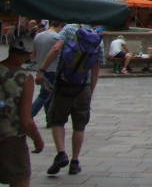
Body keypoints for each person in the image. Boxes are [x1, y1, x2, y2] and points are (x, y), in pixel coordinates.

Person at [38, 23, 103, 176]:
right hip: (83, 86)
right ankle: (75, 162)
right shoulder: (97, 36)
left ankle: (61, 153)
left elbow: (56, 49)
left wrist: (42, 70)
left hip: (64, 83)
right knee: (79, 125)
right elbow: (96, 68)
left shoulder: (68, 29)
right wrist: (91, 90)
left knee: (57, 120)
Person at [0, 35, 45, 187]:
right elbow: (26, 120)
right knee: (20, 179)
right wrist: (37, 140)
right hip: (11, 138)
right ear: (28, 54)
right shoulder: (25, 78)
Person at [32, 21, 63, 118]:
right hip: (52, 70)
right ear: (60, 26)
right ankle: (29, 115)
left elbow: (33, 55)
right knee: (44, 96)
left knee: (48, 95)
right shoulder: (57, 38)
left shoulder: (38, 35)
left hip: (40, 69)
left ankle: (49, 119)